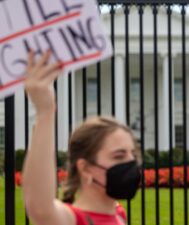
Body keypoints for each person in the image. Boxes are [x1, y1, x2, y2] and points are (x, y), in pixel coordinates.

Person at [22, 50, 141, 225]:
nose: (131, 162)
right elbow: (40, 208)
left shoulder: (118, 213)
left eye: (133, 154)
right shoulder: (73, 220)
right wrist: (45, 112)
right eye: (119, 156)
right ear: (85, 168)